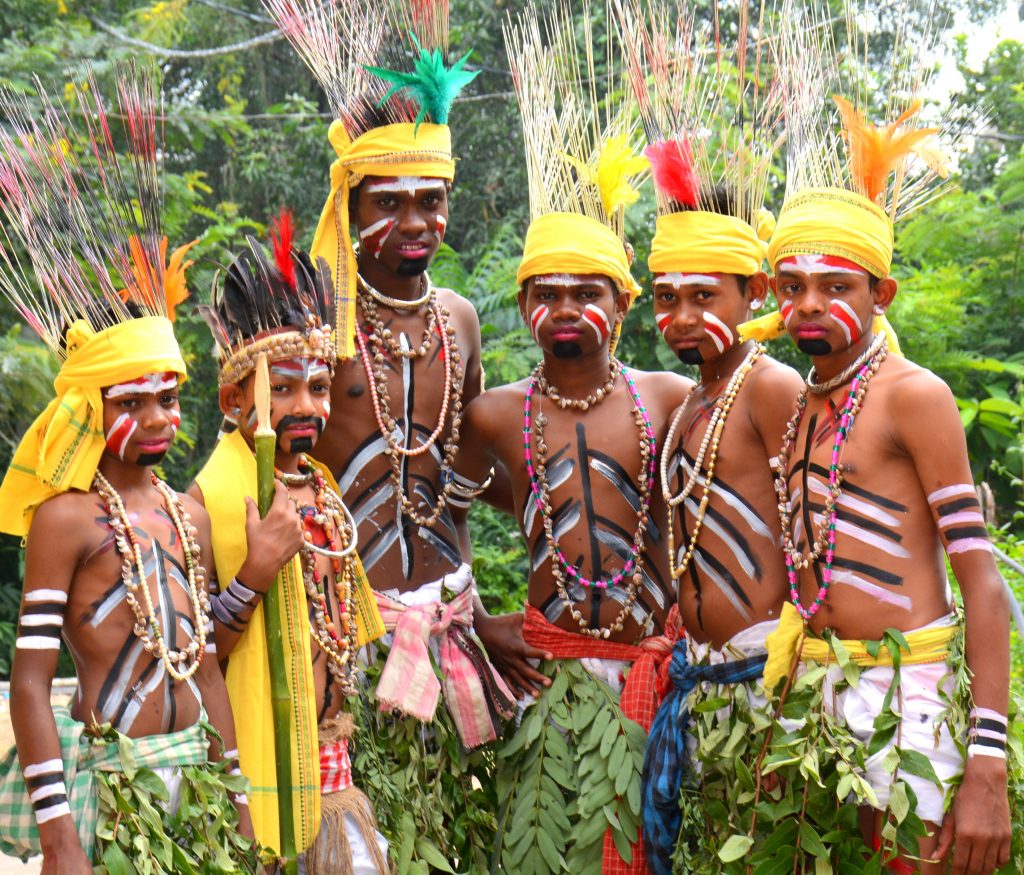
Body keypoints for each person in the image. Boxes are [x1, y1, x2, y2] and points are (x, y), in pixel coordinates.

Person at [746, 13, 1021, 871]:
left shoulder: (915, 397)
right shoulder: (802, 404)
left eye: (837, 284)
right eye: (792, 285)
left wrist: (985, 762)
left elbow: (982, 581)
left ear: (882, 292)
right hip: (818, 701)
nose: (809, 303)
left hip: (911, 703)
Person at [261, 3, 518, 865]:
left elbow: (472, 471)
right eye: (390, 202)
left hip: (451, 632)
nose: (414, 222)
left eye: (431, 202)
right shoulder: (316, 332)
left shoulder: (461, 320)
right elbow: (275, 487)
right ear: (351, 202)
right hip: (350, 648)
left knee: (447, 836)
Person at [451, 5, 692, 871]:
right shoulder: (491, 415)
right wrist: (477, 617)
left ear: (624, 304)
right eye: (544, 292)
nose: (563, 309)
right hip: (548, 686)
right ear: (522, 306)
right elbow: (441, 519)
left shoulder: (671, 400)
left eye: (585, 290)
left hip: (652, 672)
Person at [0, 70, 255, 872]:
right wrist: (59, 837)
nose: (158, 421)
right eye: (136, 401)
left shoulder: (185, 510)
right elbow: (33, 682)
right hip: (111, 796)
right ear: (91, 405)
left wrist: (238, 794)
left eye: (171, 400)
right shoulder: (67, 518)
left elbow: (204, 661)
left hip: (196, 799)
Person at [611, 4, 805, 869]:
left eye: (705, 295)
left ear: (753, 289)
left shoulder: (770, 387)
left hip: (765, 686)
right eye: (666, 297)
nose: (681, 316)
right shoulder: (691, 404)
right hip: (698, 684)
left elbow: (814, 536)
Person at [190, 217, 390, 874]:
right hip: (256, 780)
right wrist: (253, 574)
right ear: (232, 397)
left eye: (319, 385)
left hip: (335, 771)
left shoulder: (321, 487)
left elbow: (347, 638)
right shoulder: (203, 504)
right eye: (281, 388)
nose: (305, 404)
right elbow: (190, 663)